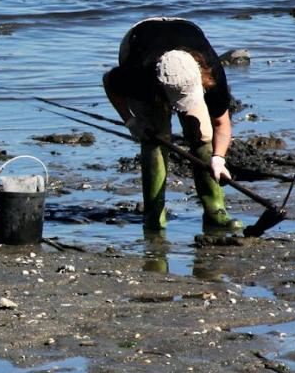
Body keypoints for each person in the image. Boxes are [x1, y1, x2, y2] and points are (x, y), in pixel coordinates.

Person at [102, 17, 241, 232]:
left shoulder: (212, 75)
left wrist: (218, 159)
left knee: (201, 135)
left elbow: (221, 124)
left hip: (186, 31)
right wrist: (131, 122)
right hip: (139, 38)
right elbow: (109, 82)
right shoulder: (139, 76)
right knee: (154, 136)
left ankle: (215, 209)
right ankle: (154, 215)